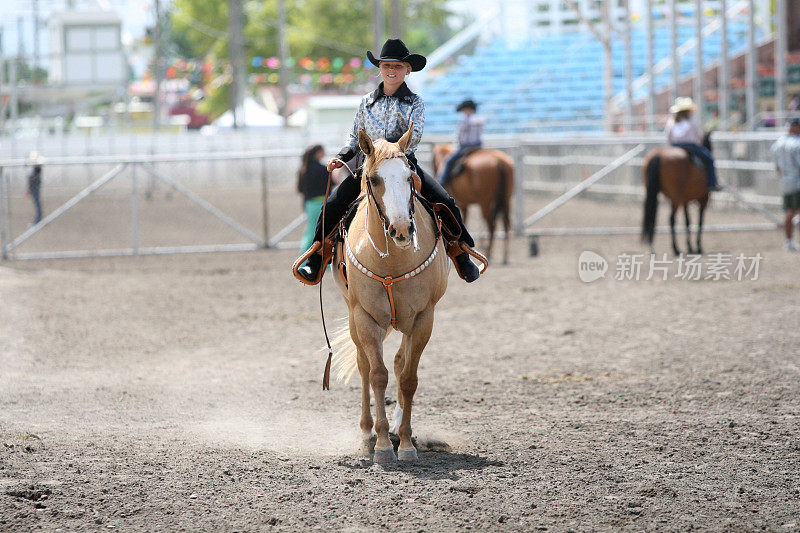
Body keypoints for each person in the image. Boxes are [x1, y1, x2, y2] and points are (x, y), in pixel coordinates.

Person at [294, 38, 481, 283]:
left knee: (445, 201)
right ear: (380, 69)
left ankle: (461, 253)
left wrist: (386, 148)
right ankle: (317, 259)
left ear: (407, 69)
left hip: (403, 163)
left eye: (398, 66)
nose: (392, 70)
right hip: (369, 165)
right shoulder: (365, 102)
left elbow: (413, 138)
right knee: (332, 204)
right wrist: (341, 158)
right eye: (387, 66)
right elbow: (354, 137)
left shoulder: (415, 102)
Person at [665, 97, 720, 191]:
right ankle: (712, 183)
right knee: (709, 159)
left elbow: (668, 137)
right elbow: (699, 137)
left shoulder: (671, 121)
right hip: (690, 146)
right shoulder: (691, 122)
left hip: (674, 146)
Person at [437, 99, 485, 186]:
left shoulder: (465, 120)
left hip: (466, 146)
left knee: (448, 161)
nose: (464, 112)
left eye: (464, 110)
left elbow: (460, 136)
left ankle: (443, 182)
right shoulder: (480, 119)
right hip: (478, 146)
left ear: (468, 109)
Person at [770, 119, 800, 251]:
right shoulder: (797, 144)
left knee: (789, 212)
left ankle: (789, 241)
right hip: (797, 181)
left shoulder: (779, 143)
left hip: (786, 181)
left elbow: (777, 167)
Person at [296, 145, 329, 253]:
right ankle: (308, 259)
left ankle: (304, 258)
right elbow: (331, 183)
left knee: (310, 231)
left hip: (309, 203)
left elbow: (300, 188)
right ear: (318, 152)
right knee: (322, 232)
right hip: (321, 202)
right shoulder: (323, 169)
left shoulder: (303, 169)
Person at [25, 151, 44, 225]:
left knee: (37, 204)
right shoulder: (36, 169)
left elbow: (32, 179)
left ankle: (38, 220)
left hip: (35, 188)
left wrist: (29, 189)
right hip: (34, 188)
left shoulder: (37, 169)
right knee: (37, 204)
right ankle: (38, 220)